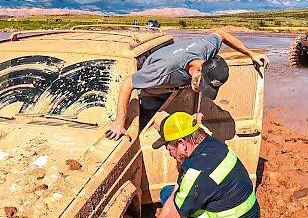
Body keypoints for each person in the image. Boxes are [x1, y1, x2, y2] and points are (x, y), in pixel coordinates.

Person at [105, 29, 269, 139]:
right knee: (150, 136)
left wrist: (251, 53)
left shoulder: (205, 49)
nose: (202, 89)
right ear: (198, 70)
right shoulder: (163, 71)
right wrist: (119, 123)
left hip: (173, 87)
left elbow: (222, 33)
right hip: (152, 93)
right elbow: (128, 83)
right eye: (204, 85)